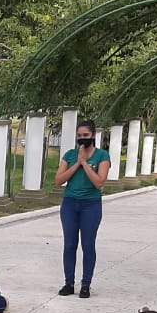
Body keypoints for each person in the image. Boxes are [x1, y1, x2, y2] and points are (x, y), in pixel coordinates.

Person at [55, 121, 111, 299]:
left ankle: (86, 284)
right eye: (79, 135)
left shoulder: (102, 156)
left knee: (88, 245)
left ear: (93, 136)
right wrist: (77, 164)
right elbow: (58, 180)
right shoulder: (70, 155)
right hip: (70, 204)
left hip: (91, 205)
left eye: (85, 135)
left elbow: (99, 182)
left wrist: (85, 163)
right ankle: (68, 283)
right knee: (70, 244)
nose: (82, 138)